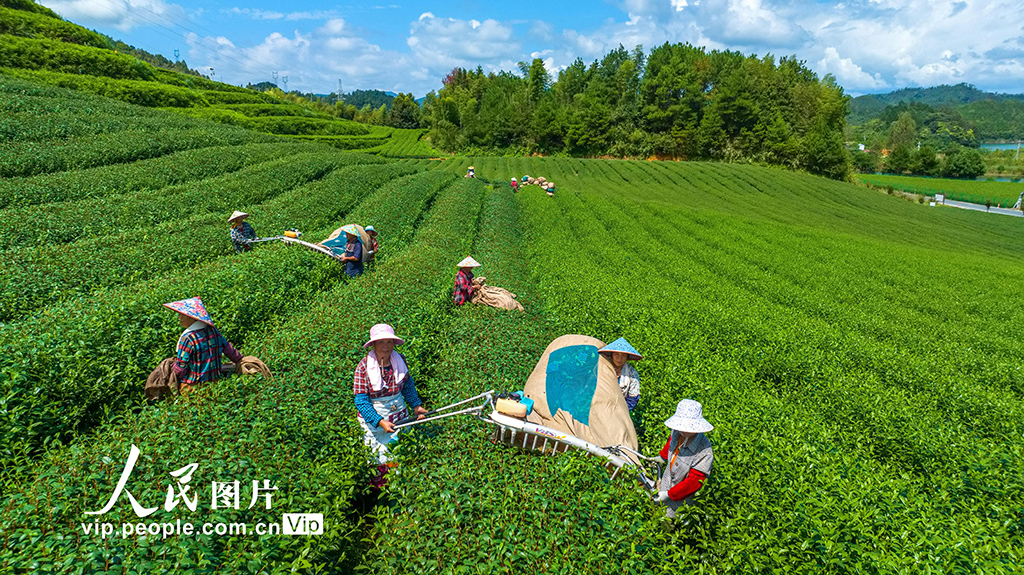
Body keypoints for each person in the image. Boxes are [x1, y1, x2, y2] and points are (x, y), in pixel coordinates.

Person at [353, 323, 428, 484]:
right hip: (374, 420)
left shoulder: (399, 360)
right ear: (373, 344)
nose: (386, 346)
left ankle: (399, 485)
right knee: (377, 456)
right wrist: (380, 421)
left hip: (398, 412)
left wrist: (416, 406)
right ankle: (380, 490)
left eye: (389, 342)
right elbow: (361, 401)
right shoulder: (363, 367)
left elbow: (407, 384)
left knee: (398, 452)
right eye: (381, 342)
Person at [163, 297, 243, 393]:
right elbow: (229, 350)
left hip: (192, 387)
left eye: (182, 315)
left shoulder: (188, 338)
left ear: (192, 317)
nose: (179, 317)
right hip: (215, 385)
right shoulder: (214, 331)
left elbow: (181, 366)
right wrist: (241, 360)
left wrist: (173, 370)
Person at [655, 399, 713, 518]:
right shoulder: (677, 432)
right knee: (658, 513)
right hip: (666, 484)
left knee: (670, 520)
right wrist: (662, 457)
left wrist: (669, 494)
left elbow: (694, 482)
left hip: (682, 499)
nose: (683, 430)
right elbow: (671, 443)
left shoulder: (704, 450)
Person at [598, 338, 641, 410]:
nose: (619, 358)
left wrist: (620, 410)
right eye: (616, 354)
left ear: (627, 357)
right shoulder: (602, 367)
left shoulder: (632, 373)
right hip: (600, 405)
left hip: (621, 408)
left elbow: (633, 398)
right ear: (612, 355)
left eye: (623, 355)